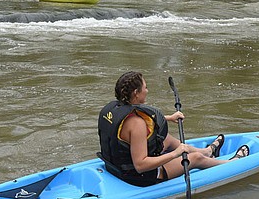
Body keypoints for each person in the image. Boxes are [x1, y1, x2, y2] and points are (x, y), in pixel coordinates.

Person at [98, 71, 249, 187]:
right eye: (145, 87)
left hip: (114, 167)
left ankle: (208, 151)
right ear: (136, 93)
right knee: (194, 159)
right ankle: (230, 163)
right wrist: (176, 154)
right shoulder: (136, 124)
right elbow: (140, 165)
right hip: (137, 177)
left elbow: (139, 122)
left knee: (167, 139)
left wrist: (169, 118)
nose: (147, 90)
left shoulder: (115, 109)